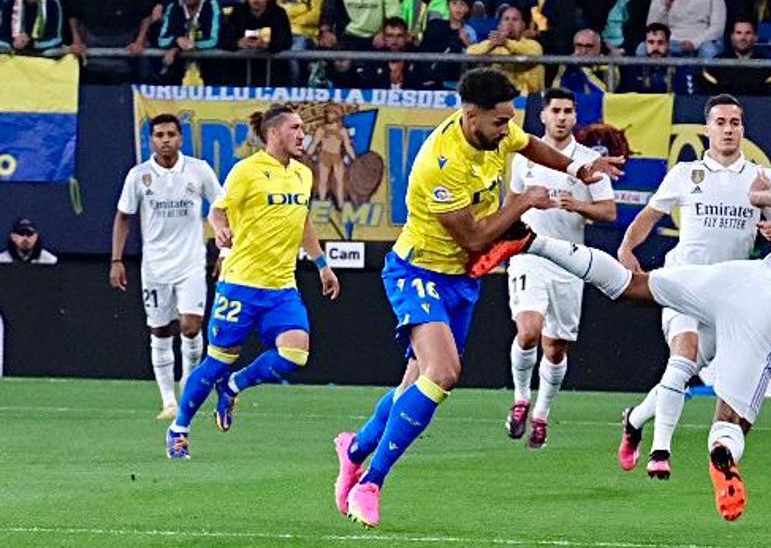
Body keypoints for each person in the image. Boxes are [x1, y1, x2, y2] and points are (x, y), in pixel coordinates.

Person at [480, 178, 771, 540]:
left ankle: (533, 243)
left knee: (635, 285)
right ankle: (723, 451)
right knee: (731, 421)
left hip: (742, 276)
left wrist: (759, 197)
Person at [331, 68, 622, 527]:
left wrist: (578, 168)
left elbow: (529, 145)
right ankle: (371, 482)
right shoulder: (441, 164)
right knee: (443, 373)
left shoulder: (497, 131)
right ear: (470, 116)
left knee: (416, 387)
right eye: (499, 122)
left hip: (462, 280)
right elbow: (474, 237)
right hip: (418, 270)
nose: (507, 129)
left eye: (509, 119)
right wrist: (524, 201)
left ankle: (353, 450)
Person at [613, 94, 771, 478]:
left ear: (743, 128)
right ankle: (660, 451)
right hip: (683, 281)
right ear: (707, 129)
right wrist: (627, 248)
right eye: (721, 122)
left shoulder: (761, 178)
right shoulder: (686, 174)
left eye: (735, 123)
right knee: (683, 355)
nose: (729, 129)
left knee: (681, 373)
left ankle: (634, 419)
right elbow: (649, 215)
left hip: (728, 293)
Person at [164, 104, 341, 459]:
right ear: (274, 133)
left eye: (302, 128)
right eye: (294, 128)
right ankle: (178, 429)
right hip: (241, 284)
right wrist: (220, 230)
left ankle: (233, 386)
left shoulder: (302, 175)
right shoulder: (247, 171)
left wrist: (322, 263)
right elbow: (218, 208)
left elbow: (302, 222)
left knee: (295, 353)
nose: (302, 134)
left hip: (281, 287)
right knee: (216, 360)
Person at [505, 89, 617, 447]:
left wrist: (578, 207)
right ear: (543, 116)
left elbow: (609, 212)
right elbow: (512, 202)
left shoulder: (588, 163)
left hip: (569, 262)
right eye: (556, 110)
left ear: (575, 117)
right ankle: (520, 399)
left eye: (568, 111)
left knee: (555, 349)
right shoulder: (525, 156)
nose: (562, 117)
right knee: (528, 330)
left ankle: (541, 415)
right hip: (530, 254)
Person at [111, 115, 222, 420]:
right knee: (160, 329)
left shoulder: (198, 170)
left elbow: (222, 208)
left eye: (171, 134)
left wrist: (225, 250)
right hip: (155, 266)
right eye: (159, 134)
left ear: (180, 138)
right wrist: (116, 260)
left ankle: (188, 390)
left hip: (191, 263)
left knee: (190, 325)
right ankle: (167, 400)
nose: (165, 140)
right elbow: (123, 217)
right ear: (151, 140)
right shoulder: (139, 176)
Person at [68, 0, 154, 84]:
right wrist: (77, 40)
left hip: (122, 50)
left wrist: (139, 42)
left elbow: (146, 15)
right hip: (93, 50)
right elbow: (73, 16)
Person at [156, 0, 224, 85]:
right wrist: (177, 41)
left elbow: (213, 40)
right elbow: (162, 40)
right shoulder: (173, 7)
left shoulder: (212, 5)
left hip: (209, 68)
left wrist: (187, 46)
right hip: (180, 71)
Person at [224, 0, 295, 85]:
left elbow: (286, 40)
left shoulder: (278, 13)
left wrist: (266, 45)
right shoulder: (238, 12)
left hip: (273, 73)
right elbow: (224, 37)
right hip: (241, 73)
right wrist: (238, 42)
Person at [466, 6, 545, 94]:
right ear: (499, 26)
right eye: (506, 19)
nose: (510, 23)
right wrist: (490, 46)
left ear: (523, 26)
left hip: (530, 99)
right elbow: (469, 53)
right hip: (501, 99)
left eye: (515, 20)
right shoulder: (493, 45)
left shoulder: (533, 45)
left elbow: (534, 54)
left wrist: (506, 43)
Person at [699, 19, 771, 96]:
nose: (743, 37)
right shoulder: (717, 64)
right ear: (731, 37)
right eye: (738, 33)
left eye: (748, 33)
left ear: (755, 37)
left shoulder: (768, 66)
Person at [618, 22, 684, 93]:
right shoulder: (633, 68)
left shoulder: (679, 67)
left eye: (660, 42)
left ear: (668, 44)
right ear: (645, 44)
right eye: (651, 42)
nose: (655, 47)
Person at [551, 29, 616, 93]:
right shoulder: (567, 64)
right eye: (579, 45)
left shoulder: (608, 65)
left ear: (598, 48)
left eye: (589, 46)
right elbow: (556, 90)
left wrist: (583, 68)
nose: (583, 51)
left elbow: (603, 93)